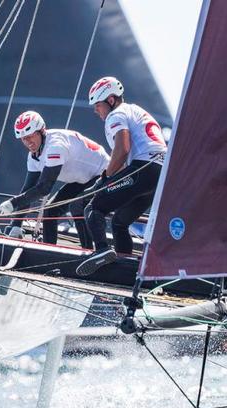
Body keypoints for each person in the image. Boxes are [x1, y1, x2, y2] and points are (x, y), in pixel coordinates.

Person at [76, 77, 167, 276]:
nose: (95, 110)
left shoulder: (115, 115)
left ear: (110, 100)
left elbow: (123, 149)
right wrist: (109, 180)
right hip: (159, 175)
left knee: (94, 207)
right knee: (119, 221)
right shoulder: (136, 110)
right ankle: (124, 269)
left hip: (143, 169)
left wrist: (105, 178)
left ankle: (101, 250)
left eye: (98, 105)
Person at [0, 110, 110, 249]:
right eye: (24, 138)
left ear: (41, 131)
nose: (28, 142)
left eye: (31, 136)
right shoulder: (34, 155)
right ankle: (48, 250)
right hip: (83, 178)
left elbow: (44, 188)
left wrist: (12, 203)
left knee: (77, 206)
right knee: (50, 211)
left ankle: (90, 251)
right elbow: (28, 189)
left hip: (103, 172)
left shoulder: (55, 146)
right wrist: (16, 225)